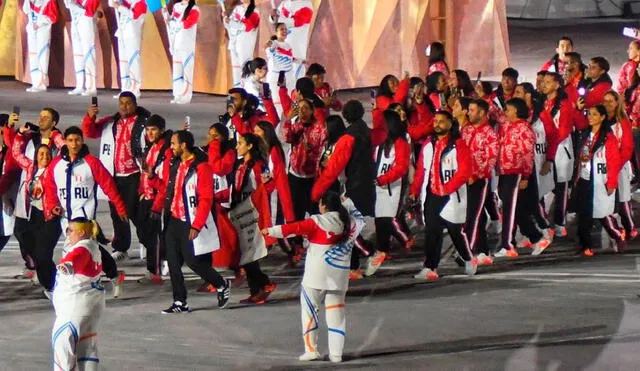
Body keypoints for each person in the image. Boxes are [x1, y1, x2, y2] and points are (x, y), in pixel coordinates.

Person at [263, 192, 363, 363]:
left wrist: (268, 231)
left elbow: (291, 229)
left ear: (323, 206)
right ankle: (336, 354)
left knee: (309, 313)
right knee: (337, 316)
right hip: (339, 278)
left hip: (314, 278)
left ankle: (311, 350)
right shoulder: (353, 223)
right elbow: (359, 216)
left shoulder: (317, 221)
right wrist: (349, 202)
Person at [151, 130, 231, 313]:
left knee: (193, 261)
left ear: (183, 145)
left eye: (173, 144)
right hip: (173, 220)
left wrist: (197, 224)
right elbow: (168, 190)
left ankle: (221, 284)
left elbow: (206, 198)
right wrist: (153, 178)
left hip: (191, 221)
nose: (171, 148)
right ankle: (180, 301)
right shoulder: (176, 164)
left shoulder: (201, 168)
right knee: (173, 262)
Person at [43, 126, 127, 297]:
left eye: (77, 140)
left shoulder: (91, 162)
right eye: (71, 140)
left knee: (79, 249)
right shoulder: (56, 164)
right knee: (89, 248)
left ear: (83, 141)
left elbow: (108, 185)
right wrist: (53, 205)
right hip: (64, 217)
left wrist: (120, 208)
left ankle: (75, 285)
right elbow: (50, 186)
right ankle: (112, 275)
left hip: (84, 218)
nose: (74, 144)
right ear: (65, 142)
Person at [82, 91, 150, 261]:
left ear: (135, 104)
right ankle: (121, 247)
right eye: (121, 103)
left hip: (135, 175)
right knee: (116, 213)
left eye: (128, 103)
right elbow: (90, 132)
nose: (124, 106)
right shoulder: (111, 122)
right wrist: (90, 117)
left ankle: (147, 242)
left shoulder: (145, 123)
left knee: (137, 213)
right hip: (113, 175)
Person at [311, 101, 375, 277]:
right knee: (351, 226)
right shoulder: (366, 132)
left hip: (352, 185)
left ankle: (370, 253)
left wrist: (317, 191)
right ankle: (353, 267)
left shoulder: (348, 138)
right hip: (366, 183)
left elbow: (333, 168)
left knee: (348, 228)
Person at [409, 110, 474, 280]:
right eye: (435, 121)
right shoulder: (428, 143)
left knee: (455, 230)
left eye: (441, 121)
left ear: (450, 124)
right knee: (432, 231)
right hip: (432, 194)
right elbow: (421, 170)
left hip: (451, 194)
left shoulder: (459, 145)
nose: (437, 124)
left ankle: (468, 257)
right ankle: (430, 267)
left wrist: (448, 187)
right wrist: (414, 190)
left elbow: (465, 170)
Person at [11, 108, 64, 279]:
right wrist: (19, 134)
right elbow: (15, 152)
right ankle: (36, 266)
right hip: (28, 205)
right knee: (21, 233)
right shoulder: (30, 160)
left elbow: (64, 149)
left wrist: (55, 135)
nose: (40, 120)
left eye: (46, 118)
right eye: (40, 116)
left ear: (54, 122)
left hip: (47, 209)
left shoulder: (54, 164)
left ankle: (45, 274)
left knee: (43, 246)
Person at [51, 218, 106, 370]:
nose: (67, 233)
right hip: (90, 306)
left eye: (70, 230)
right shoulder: (93, 246)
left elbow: (75, 260)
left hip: (74, 310)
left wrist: (67, 266)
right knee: (86, 351)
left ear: (81, 232)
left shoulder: (82, 248)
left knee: (63, 353)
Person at [364, 110, 412, 276]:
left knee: (388, 220)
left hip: (393, 188)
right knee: (380, 222)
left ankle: (394, 245)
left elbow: (401, 167)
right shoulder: (381, 145)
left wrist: (383, 179)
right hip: (381, 188)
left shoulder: (401, 143)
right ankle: (382, 250)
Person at [229, 133, 275, 304]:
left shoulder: (256, 166)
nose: (237, 146)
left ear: (249, 147)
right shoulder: (242, 165)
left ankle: (263, 285)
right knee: (246, 252)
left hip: (251, 213)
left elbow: (262, 190)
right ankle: (258, 288)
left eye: (240, 143)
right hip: (242, 212)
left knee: (249, 253)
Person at [574, 105, 624, 256]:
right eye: (589, 114)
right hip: (585, 178)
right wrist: (577, 177)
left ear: (602, 117)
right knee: (583, 214)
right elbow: (581, 158)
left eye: (594, 114)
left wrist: (611, 183)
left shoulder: (608, 138)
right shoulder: (585, 135)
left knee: (602, 212)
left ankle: (617, 234)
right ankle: (585, 246)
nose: (590, 117)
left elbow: (614, 162)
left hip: (599, 180)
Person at [495, 98, 541, 258]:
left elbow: (528, 155)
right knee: (515, 208)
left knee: (510, 208)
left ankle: (508, 244)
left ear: (516, 110)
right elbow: (496, 114)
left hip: (516, 173)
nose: (505, 112)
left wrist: (526, 176)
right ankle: (537, 237)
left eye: (508, 109)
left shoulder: (525, 129)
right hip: (504, 172)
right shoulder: (507, 124)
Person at [515, 82, 555, 242]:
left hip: (539, 161)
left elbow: (553, 137)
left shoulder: (542, 115)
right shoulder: (518, 115)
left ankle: (543, 229)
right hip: (525, 164)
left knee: (535, 198)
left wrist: (549, 160)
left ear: (528, 95)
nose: (515, 95)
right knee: (528, 200)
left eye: (518, 92)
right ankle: (533, 230)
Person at [254, 121, 298, 261]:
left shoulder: (273, 150)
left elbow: (277, 173)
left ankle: (290, 250)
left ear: (265, 133)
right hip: (273, 190)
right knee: (273, 221)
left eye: (258, 131)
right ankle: (280, 248)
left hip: (275, 192)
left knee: (274, 223)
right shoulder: (269, 149)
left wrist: (267, 180)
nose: (256, 133)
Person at [461, 99, 498, 264]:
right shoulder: (466, 130)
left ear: (482, 112)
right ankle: (483, 250)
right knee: (477, 215)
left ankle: (467, 252)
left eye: (472, 110)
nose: (469, 113)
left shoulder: (490, 134)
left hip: (479, 180)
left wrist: (476, 174)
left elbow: (491, 159)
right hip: (464, 180)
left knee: (473, 216)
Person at [137, 115, 172, 282]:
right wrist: (142, 192)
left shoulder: (165, 151)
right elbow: (145, 174)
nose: (150, 133)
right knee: (144, 234)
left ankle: (154, 271)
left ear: (162, 130)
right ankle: (165, 259)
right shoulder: (151, 147)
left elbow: (165, 184)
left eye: (154, 130)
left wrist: (157, 206)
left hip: (157, 201)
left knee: (154, 238)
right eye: (148, 129)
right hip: (147, 197)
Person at [539, 72, 574, 237]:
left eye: (548, 82)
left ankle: (560, 222)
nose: (544, 84)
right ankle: (543, 221)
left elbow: (564, 131)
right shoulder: (543, 103)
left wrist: (549, 142)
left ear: (557, 85)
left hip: (561, 152)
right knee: (543, 186)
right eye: (543, 82)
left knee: (561, 189)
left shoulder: (564, 104)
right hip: (546, 150)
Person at [283, 98, 326, 222]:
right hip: (295, 175)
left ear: (312, 111)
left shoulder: (319, 128)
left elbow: (324, 150)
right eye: (299, 108)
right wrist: (287, 120)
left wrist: (311, 150)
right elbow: (286, 137)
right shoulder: (297, 126)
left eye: (305, 108)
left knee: (313, 210)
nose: (302, 111)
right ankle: (296, 237)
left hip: (311, 177)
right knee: (296, 210)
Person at [603, 91, 637, 240]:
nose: (607, 104)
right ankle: (616, 229)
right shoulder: (601, 119)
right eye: (605, 101)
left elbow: (627, 148)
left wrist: (616, 165)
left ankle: (630, 227)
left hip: (620, 166)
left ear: (617, 103)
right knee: (604, 198)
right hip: (602, 166)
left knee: (623, 198)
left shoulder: (623, 122)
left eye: (611, 101)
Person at [109, 0, 147, 98]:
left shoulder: (141, 3)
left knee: (133, 62)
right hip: (122, 33)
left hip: (132, 35)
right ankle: (125, 89)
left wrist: (119, 7)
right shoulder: (126, 2)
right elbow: (112, 4)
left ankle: (135, 89)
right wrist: (115, 4)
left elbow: (134, 16)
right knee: (123, 63)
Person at [164, 0, 200, 104]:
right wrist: (167, 16)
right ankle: (177, 94)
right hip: (176, 44)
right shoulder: (176, 6)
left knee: (187, 71)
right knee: (177, 71)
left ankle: (186, 96)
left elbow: (187, 24)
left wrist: (171, 22)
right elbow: (171, 22)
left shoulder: (195, 9)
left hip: (187, 45)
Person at [270, 0, 313, 80]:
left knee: (297, 81)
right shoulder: (285, 4)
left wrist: (277, 18)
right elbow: (275, 22)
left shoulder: (306, 5)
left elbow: (296, 22)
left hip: (297, 52)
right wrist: (273, 17)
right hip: (283, 51)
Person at [22, 0, 58, 93]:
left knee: (42, 55)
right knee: (33, 55)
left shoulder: (48, 1)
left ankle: (41, 83)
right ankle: (35, 82)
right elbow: (26, 10)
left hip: (43, 29)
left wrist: (39, 23)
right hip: (32, 29)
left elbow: (53, 17)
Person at [65, 0, 99, 96]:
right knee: (77, 54)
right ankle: (79, 85)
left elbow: (89, 11)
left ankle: (91, 86)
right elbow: (68, 5)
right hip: (75, 21)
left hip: (86, 21)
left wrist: (74, 5)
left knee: (88, 54)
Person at [224, 0, 259, 87]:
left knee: (245, 70)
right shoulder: (237, 9)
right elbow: (230, 26)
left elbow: (246, 27)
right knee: (236, 71)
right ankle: (238, 92)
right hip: (234, 44)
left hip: (245, 45)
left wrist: (230, 22)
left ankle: (247, 93)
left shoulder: (255, 12)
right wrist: (226, 20)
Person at [265, 22, 297, 117]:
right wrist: (270, 46)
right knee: (277, 104)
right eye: (281, 29)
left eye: (285, 29)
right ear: (276, 32)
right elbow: (270, 50)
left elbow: (289, 58)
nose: (284, 31)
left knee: (291, 101)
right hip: (276, 77)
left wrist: (300, 61)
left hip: (289, 76)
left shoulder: (288, 45)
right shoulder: (274, 44)